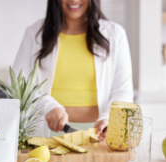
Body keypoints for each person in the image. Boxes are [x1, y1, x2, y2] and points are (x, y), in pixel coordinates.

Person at [12, 0, 133, 142]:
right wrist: (48, 106)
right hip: (47, 134)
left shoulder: (115, 34)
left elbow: (122, 91)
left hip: (98, 137)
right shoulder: (34, 33)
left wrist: (108, 119)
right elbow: (16, 88)